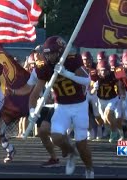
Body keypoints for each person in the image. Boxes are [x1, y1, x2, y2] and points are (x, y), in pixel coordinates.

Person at [29, 36, 94, 178]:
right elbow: (33, 93)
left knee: (82, 145)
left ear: (60, 51)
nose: (49, 56)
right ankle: (71, 153)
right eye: (47, 53)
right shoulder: (44, 66)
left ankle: (89, 168)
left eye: (52, 53)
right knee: (57, 137)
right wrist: (32, 111)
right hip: (61, 106)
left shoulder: (72, 60)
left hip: (79, 105)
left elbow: (87, 81)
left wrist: (67, 73)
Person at [6, 49, 59, 168]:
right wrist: (13, 91)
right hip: (43, 103)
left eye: (38, 59)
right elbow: (29, 89)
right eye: (34, 61)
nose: (37, 63)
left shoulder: (59, 65)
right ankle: (54, 157)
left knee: (54, 133)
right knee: (42, 132)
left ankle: (68, 147)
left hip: (61, 103)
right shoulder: (37, 71)